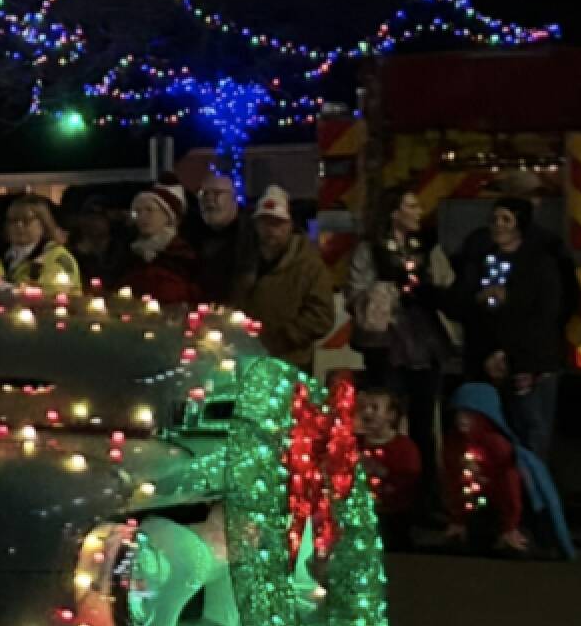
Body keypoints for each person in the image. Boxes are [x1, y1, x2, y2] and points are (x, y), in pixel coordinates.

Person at [347, 187, 454, 508]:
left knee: (424, 422)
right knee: (385, 422)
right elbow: (356, 295)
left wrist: (429, 288)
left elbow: (447, 282)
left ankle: (427, 497)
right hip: (387, 344)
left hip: (424, 343)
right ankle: (385, 497)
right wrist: (386, 295)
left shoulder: (427, 247)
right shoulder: (370, 251)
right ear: (394, 212)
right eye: (411, 205)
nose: (418, 211)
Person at [452, 196, 564, 460]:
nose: (497, 225)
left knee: (531, 433)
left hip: (530, 363)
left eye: (506, 219)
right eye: (493, 219)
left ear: (520, 225)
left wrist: (508, 351)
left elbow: (546, 315)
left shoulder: (540, 264)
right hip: (487, 362)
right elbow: (461, 302)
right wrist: (475, 299)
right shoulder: (480, 260)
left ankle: (533, 494)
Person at [232, 186, 334, 371]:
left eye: (277, 223)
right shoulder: (244, 259)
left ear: (289, 226)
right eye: (265, 222)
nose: (270, 229)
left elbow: (322, 316)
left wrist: (279, 338)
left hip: (290, 364)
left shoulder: (309, 266)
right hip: (247, 361)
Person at [441, 383, 532, 556]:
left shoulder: (497, 445)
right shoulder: (453, 443)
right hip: (470, 507)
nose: (462, 419)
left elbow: (509, 488)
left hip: (499, 509)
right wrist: (456, 518)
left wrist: (510, 525)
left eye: (470, 414)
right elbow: (451, 481)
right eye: (459, 413)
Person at [354, 385, 422, 546]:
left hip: (393, 515)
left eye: (374, 408)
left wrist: (382, 472)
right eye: (363, 408)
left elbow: (410, 480)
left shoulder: (405, 447)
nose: (367, 413)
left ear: (391, 416)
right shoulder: (354, 444)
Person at [122, 180, 202, 306]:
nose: (142, 216)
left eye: (149, 210)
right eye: (137, 212)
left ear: (167, 216)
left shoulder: (182, 253)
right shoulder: (129, 255)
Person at [0, 196, 82, 294]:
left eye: (26, 220)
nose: (19, 225)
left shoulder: (58, 258)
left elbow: (51, 293)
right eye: (13, 220)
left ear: (43, 223)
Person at [186, 172, 249, 305]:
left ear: (234, 198)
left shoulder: (251, 237)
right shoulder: (187, 235)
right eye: (204, 194)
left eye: (217, 193)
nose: (209, 199)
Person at [67, 197, 126, 290]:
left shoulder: (119, 250)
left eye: (99, 218)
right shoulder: (72, 253)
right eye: (90, 218)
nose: (94, 223)